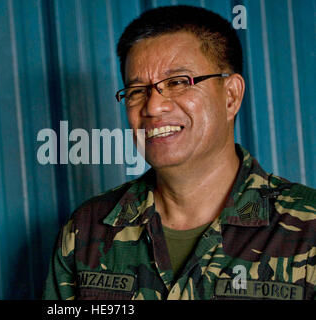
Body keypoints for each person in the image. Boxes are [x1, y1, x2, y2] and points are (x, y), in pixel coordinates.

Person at [42, 5, 315, 300]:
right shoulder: (85, 231)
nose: (152, 106)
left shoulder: (309, 228)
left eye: (177, 82)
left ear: (231, 96)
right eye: (136, 91)